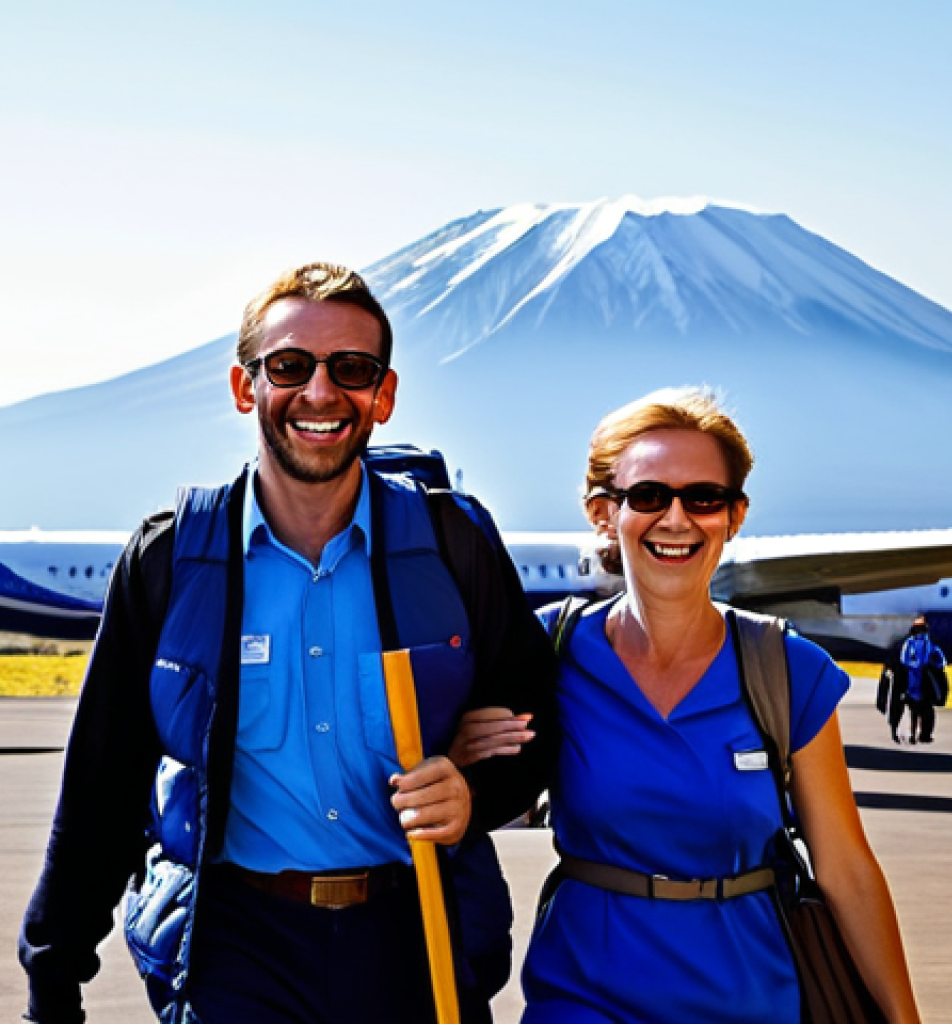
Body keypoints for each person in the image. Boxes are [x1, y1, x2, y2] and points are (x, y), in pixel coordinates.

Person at [19, 263, 557, 1024]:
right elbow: (103, 783)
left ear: (385, 394)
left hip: (415, 933)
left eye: (352, 369)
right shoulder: (172, 561)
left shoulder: (452, 543)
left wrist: (477, 794)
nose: (320, 392)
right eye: (289, 366)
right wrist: (53, 973)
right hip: (238, 947)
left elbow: (536, 719)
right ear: (247, 389)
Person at [453, 388, 922, 1023]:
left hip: (753, 1002)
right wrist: (460, 756)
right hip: (585, 999)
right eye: (648, 497)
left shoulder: (786, 670)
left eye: (703, 498)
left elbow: (845, 869)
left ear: (734, 515)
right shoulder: (546, 650)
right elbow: (472, 779)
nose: (676, 518)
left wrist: (903, 1017)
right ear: (602, 513)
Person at [900, 614, 947, 744]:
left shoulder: (910, 643)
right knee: (925, 711)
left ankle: (914, 734)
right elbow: (941, 661)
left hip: (916, 682)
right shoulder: (926, 644)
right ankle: (922, 734)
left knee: (915, 711)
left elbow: (904, 660)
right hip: (922, 682)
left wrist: (915, 666)